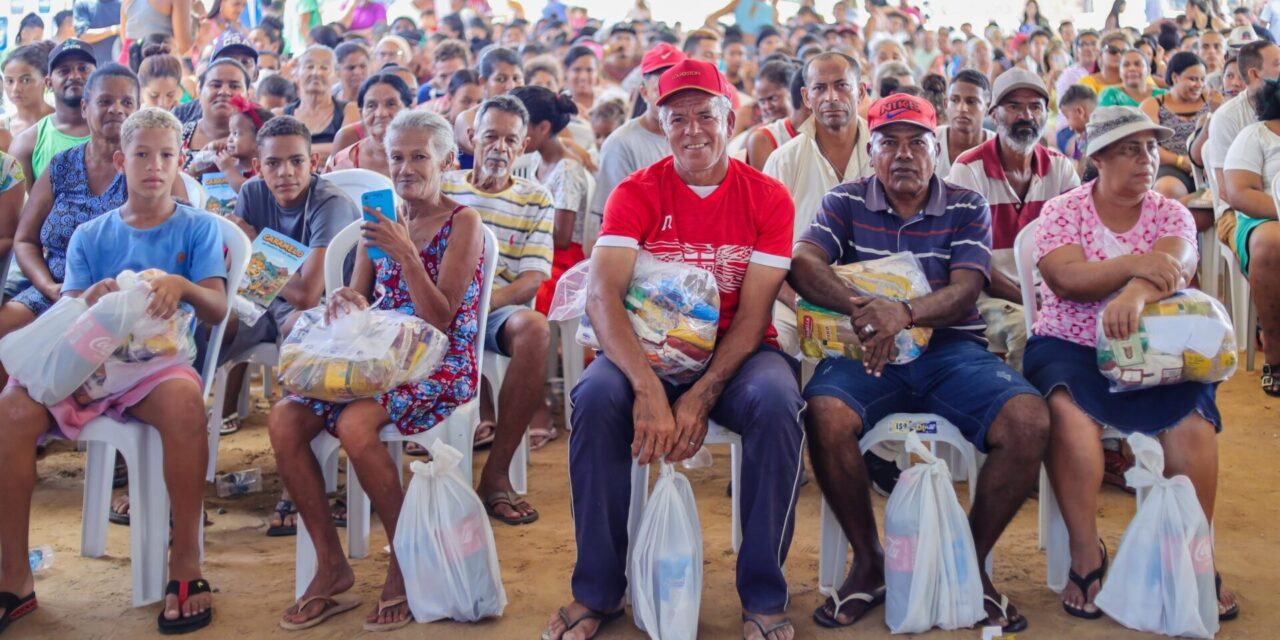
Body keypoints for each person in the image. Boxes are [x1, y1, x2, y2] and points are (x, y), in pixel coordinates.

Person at [544, 58, 801, 640]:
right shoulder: (637, 192)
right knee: (594, 399)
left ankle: (763, 595)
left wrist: (703, 393)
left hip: (737, 357)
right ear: (660, 125)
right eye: (676, 117)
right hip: (645, 353)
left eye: (704, 115)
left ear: (729, 118)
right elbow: (603, 297)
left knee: (778, 403)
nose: (692, 130)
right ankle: (597, 591)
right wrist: (648, 387)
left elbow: (757, 310)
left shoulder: (767, 198)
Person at [793, 92, 1047, 634]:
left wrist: (904, 313)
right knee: (824, 413)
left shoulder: (963, 204)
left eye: (916, 143)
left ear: (937, 150)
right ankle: (869, 560)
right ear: (872, 151)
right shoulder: (845, 201)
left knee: (1028, 420)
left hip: (952, 350)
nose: (903, 155)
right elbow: (804, 261)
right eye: (889, 143)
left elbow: (966, 289)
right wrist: (866, 312)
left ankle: (967, 561)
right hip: (868, 350)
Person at [0, 107, 226, 635]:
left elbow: (218, 308)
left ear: (180, 161)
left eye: (167, 155)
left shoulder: (198, 228)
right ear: (120, 160)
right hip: (89, 363)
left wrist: (182, 286)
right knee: (11, 407)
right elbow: (68, 313)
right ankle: (13, 576)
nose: (155, 165)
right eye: (142, 154)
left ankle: (187, 562)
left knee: (184, 402)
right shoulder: (90, 234)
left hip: (155, 367)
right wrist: (93, 298)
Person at [266, 108, 482, 632]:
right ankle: (330, 563)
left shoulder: (463, 222)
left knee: (356, 424)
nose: (406, 169)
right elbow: (362, 298)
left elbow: (442, 318)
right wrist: (344, 299)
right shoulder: (378, 221)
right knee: (283, 420)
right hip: (378, 358)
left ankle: (405, 561)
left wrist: (407, 253)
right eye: (396, 157)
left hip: (438, 362)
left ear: (447, 160)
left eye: (419, 157)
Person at [1025, 105, 1239, 623]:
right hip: (1070, 345)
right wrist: (1135, 265)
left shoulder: (1170, 210)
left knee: (1191, 425)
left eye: (1148, 147)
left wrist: (1135, 294)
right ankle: (1085, 553)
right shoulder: (1063, 211)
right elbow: (1065, 280)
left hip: (1156, 350)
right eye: (1128, 149)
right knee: (1071, 423)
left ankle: (1194, 551)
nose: (1145, 160)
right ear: (1097, 157)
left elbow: (1178, 261)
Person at [441, 96, 552, 524]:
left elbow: (531, 279)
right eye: (490, 136)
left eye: (510, 140)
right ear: (472, 137)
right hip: (438, 305)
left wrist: (477, 305)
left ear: (523, 145)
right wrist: (450, 304)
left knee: (535, 330)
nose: (499, 148)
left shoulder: (535, 198)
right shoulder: (445, 185)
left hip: (495, 308)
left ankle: (497, 472)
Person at [948, 69, 1080, 371]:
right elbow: (973, 262)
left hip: (1052, 292)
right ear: (994, 114)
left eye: (1035, 106)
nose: (1026, 116)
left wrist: (1054, 295)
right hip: (989, 297)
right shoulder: (969, 169)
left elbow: (1077, 243)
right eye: (1014, 107)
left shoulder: (1059, 168)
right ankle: (1029, 414)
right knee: (1027, 331)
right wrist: (1032, 299)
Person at [763, 52, 872, 355]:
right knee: (777, 349)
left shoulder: (884, 152)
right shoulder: (784, 160)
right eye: (820, 88)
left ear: (861, 91)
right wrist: (797, 300)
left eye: (842, 86)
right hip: (797, 300)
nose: (831, 97)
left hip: (876, 301)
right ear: (806, 97)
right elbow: (765, 252)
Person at [511, 85, 588, 369]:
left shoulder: (566, 169)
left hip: (564, 262)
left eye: (518, 126)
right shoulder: (534, 161)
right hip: (540, 253)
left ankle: (532, 367)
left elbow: (563, 237)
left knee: (523, 288)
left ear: (542, 127)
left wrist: (520, 237)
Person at [588, 44, 685, 253]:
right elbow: (610, 224)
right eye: (660, 88)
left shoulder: (698, 138)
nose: (670, 96)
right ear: (644, 92)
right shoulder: (620, 144)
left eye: (678, 87)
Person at [1223, 78, 1280, 397]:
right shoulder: (1256, 135)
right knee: (1273, 242)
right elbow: (1240, 193)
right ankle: (1276, 354)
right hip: (1266, 218)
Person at [1210, 41, 1280, 249]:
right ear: (1255, 74)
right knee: (1270, 241)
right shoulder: (1227, 117)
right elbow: (1227, 192)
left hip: (1272, 202)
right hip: (1236, 213)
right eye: (1278, 64)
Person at [8, 40, 96, 189]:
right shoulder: (26, 143)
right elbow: (24, 209)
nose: (75, 76)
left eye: (83, 68)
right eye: (64, 71)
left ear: (98, 76)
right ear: (48, 83)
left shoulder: (120, 133)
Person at [1140, 52, 1212, 201]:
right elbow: (1147, 144)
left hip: (1208, 166)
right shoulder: (1153, 104)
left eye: (1202, 79)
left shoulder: (1212, 100)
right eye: (1192, 79)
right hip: (1170, 168)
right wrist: (1180, 161)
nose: (1199, 85)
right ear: (1174, 77)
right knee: (1168, 189)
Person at [326, 73, 414, 176]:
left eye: (391, 104)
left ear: (408, 110)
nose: (381, 113)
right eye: (371, 106)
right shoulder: (342, 163)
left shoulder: (424, 157)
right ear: (361, 113)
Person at [284, 46, 361, 162]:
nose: (316, 72)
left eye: (324, 68)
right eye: (309, 67)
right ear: (296, 74)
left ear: (336, 76)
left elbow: (345, 152)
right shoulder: (280, 114)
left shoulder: (349, 110)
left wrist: (290, 152)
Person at [171, 31, 260, 125]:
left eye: (245, 62)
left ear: (256, 74)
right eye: (228, 59)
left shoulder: (261, 122)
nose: (236, 66)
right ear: (210, 69)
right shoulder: (181, 116)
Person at [179, 58, 251, 172]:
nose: (224, 92)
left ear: (248, 95)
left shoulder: (260, 141)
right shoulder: (177, 137)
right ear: (199, 92)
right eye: (216, 85)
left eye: (234, 86)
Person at [742, 60, 806, 171]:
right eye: (762, 101)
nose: (767, 107)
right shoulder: (760, 137)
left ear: (792, 93)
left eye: (773, 98)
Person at [936, 69, 994, 179]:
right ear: (945, 104)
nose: (962, 108)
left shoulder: (999, 148)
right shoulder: (930, 140)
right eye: (954, 100)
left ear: (988, 107)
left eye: (971, 101)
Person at [0, 45, 55, 154]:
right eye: (9, 81)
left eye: (25, 80)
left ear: (46, 80)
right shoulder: (2, 127)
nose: (15, 89)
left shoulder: (63, 121)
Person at [1098, 49, 1166, 107]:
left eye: (1137, 64)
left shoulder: (1163, 96)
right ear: (1120, 72)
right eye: (1126, 65)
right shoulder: (1110, 95)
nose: (1132, 68)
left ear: (1148, 70)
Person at [189, 0, 248, 67]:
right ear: (222, 2)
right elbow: (188, 55)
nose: (241, 10)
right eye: (236, 4)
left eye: (244, 5)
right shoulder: (206, 26)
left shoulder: (239, 27)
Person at [1057, 85, 1098, 173]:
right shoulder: (1080, 139)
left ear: (1080, 112)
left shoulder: (1092, 138)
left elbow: (1079, 174)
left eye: (1067, 117)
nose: (1070, 127)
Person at [73, 0, 123, 65]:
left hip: (121, 69)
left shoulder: (123, 3)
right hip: (93, 69)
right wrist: (114, 30)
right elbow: (83, 36)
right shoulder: (83, 3)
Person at [563, 45, 599, 117]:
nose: (583, 77)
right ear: (566, 72)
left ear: (597, 72)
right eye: (577, 70)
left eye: (589, 70)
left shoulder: (608, 101)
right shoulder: (558, 105)